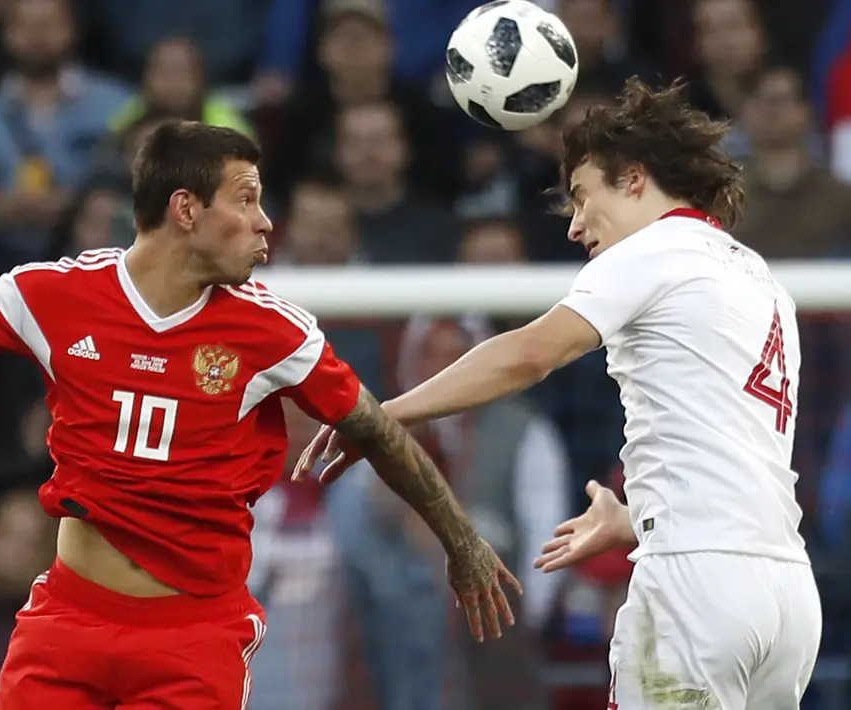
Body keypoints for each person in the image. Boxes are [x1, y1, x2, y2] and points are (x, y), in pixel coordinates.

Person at [0, 120, 520, 708]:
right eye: (249, 199)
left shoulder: (271, 330)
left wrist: (462, 540)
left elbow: (373, 427)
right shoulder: (51, 295)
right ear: (186, 209)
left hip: (194, 632)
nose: (267, 222)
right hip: (70, 619)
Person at [297, 78, 822, 710]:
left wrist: (382, 417)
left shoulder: (651, 250)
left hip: (697, 589)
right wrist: (636, 519)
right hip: (786, 593)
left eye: (581, 196)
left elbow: (526, 354)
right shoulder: (760, 279)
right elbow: (733, 456)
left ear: (632, 179)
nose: (574, 227)